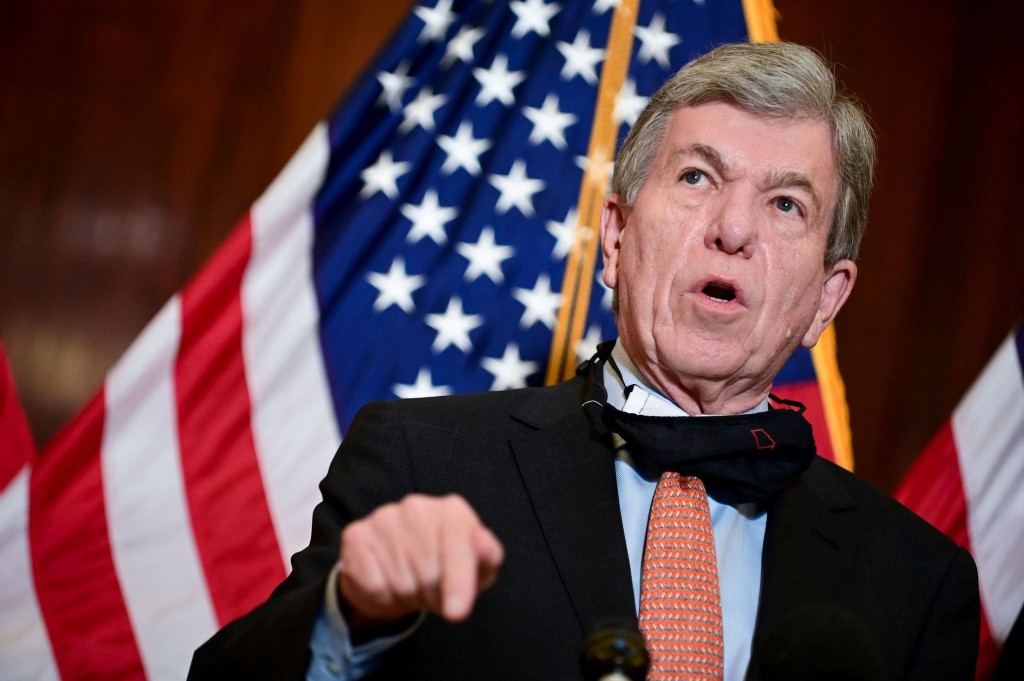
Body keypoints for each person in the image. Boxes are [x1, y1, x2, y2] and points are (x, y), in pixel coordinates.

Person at [189, 41, 980, 681]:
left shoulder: (917, 581)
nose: (734, 229)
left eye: (786, 204)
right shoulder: (421, 459)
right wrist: (351, 615)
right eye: (698, 177)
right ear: (616, 238)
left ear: (827, 299)